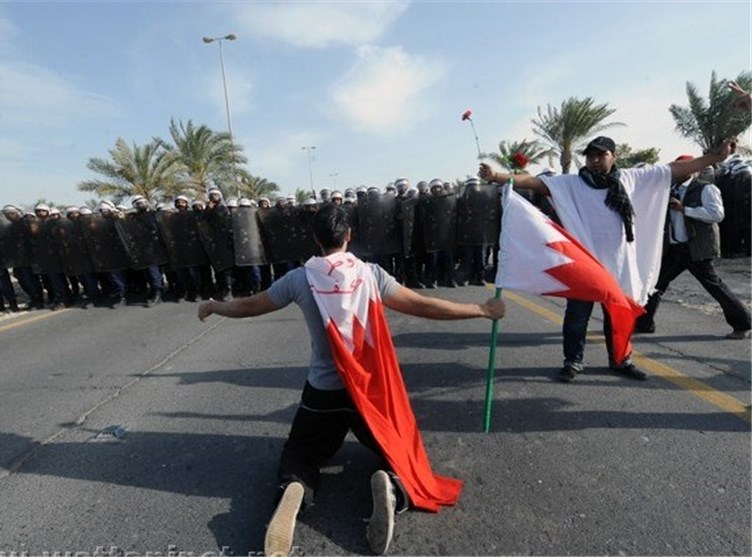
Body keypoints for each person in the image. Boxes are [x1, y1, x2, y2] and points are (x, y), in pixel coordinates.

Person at [197, 204, 505, 556]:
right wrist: (481, 310)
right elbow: (422, 305)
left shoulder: (300, 279)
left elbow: (250, 306)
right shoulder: (371, 274)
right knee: (396, 449)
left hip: (323, 393)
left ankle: (295, 486)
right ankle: (392, 485)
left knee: (299, 453)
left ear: (316, 239)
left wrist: (214, 306)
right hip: (370, 392)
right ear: (348, 235)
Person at [480, 135, 736, 382]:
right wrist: (497, 176)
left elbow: (676, 168)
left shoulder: (632, 178)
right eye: (590, 156)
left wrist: (716, 157)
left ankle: (621, 360)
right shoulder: (572, 183)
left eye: (600, 155)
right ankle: (573, 361)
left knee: (619, 316)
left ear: (614, 155)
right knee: (577, 317)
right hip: (584, 264)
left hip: (620, 263)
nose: (594, 160)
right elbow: (535, 182)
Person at [635, 155, 751, 338]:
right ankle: (644, 323)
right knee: (655, 285)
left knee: (714, 287)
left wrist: (685, 209)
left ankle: (743, 324)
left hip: (696, 248)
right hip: (676, 247)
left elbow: (716, 215)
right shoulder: (670, 189)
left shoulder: (706, 189)